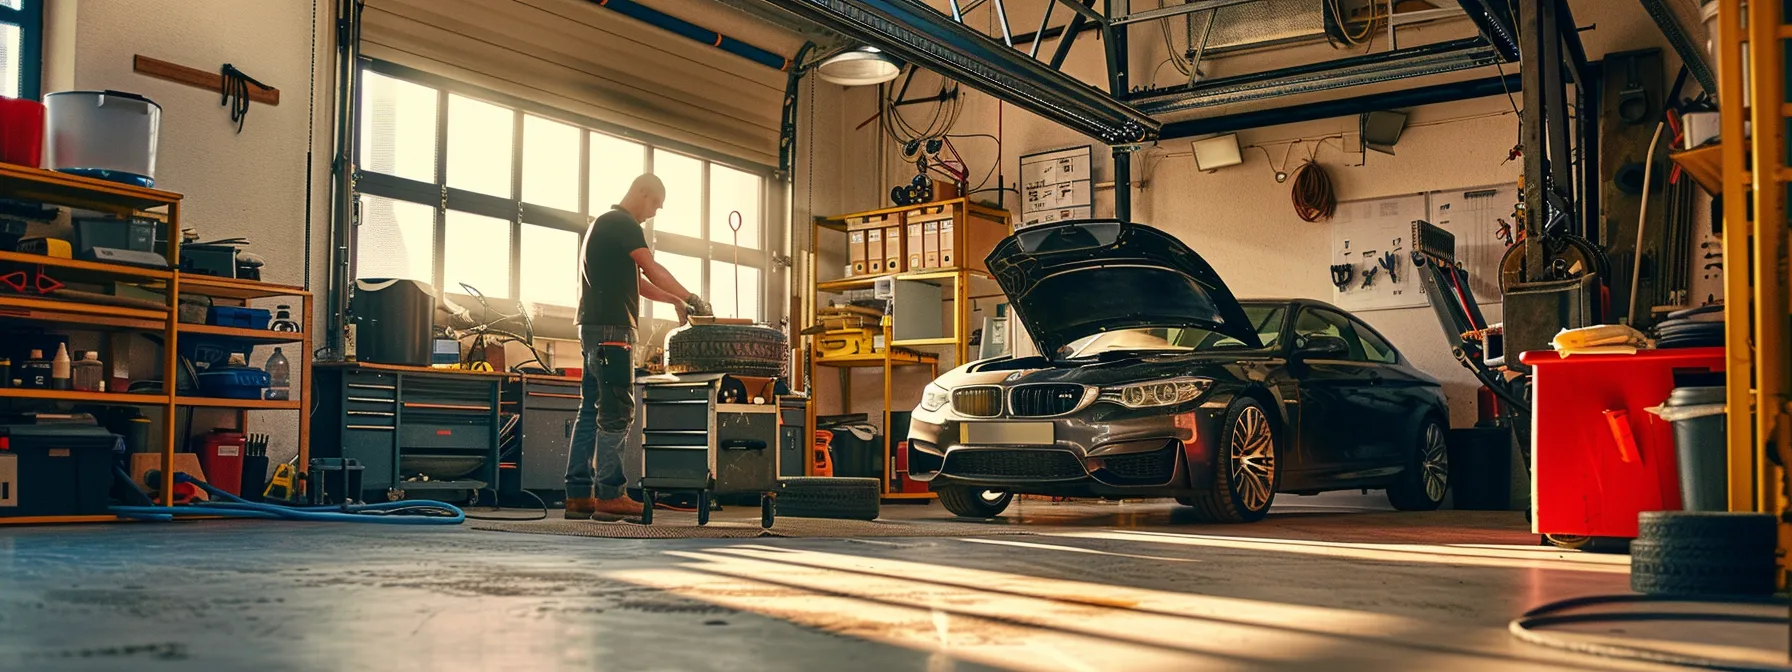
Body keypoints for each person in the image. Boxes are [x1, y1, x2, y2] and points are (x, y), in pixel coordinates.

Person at [566, 174, 711, 520]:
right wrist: (693, 299)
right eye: (655, 204)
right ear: (643, 192)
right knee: (617, 408)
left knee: (591, 409)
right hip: (613, 329)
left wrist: (674, 299)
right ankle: (610, 494)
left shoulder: (602, 225)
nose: (654, 213)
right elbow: (651, 266)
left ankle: (578, 495)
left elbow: (639, 282)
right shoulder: (623, 223)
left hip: (592, 327)